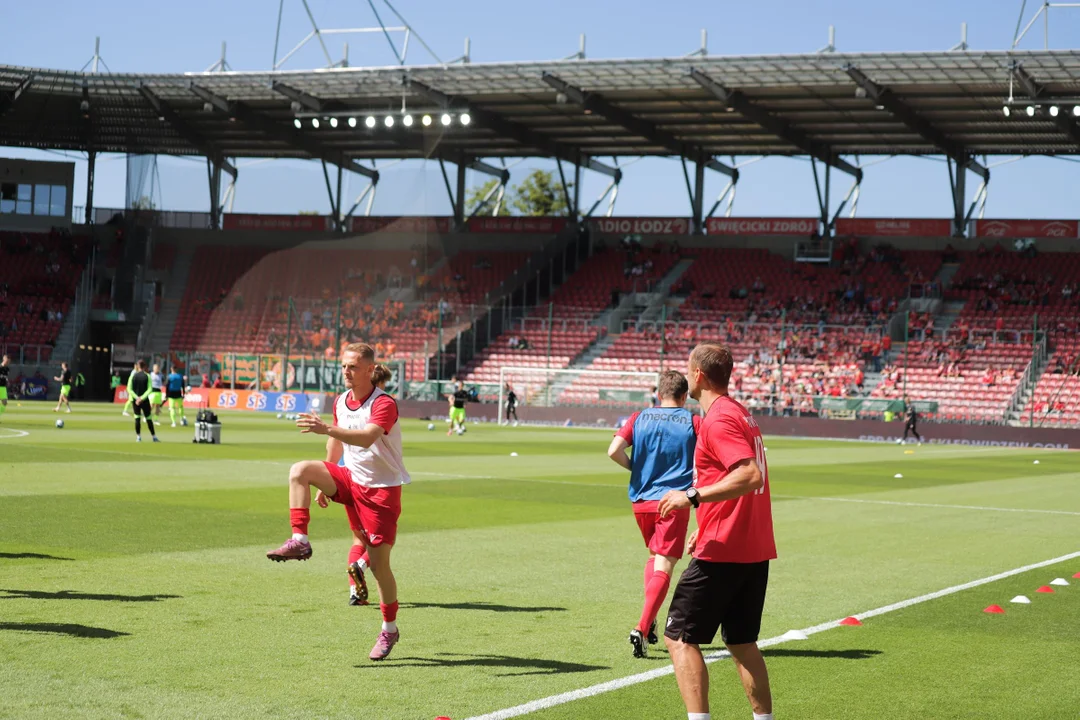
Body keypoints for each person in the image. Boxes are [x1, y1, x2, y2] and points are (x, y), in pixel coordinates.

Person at [266, 343, 410, 661]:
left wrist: (326, 428)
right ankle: (300, 540)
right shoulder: (341, 400)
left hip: (381, 492)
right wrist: (325, 478)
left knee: (380, 567)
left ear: (370, 370)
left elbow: (367, 436)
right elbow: (335, 441)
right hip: (349, 479)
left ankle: (389, 628)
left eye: (353, 366)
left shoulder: (383, 403)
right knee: (300, 470)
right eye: (344, 366)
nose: (346, 371)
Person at [657, 343, 776, 720]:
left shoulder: (720, 418)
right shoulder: (740, 413)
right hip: (750, 546)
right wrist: (704, 521)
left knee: (678, 638)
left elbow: (748, 474)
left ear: (699, 376)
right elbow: (736, 479)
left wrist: (691, 497)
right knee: (742, 643)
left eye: (688, 368)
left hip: (724, 549)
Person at [608, 370, 701, 658]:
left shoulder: (639, 417)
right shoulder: (693, 421)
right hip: (672, 502)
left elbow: (613, 451)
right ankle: (642, 627)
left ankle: (648, 625)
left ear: (659, 393)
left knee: (654, 556)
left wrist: (636, 470)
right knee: (665, 563)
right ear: (684, 396)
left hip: (641, 502)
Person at [315, 364, 394, 607]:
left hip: (343, 477)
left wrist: (324, 479)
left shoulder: (346, 403)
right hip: (368, 481)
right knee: (379, 543)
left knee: (357, 540)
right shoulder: (378, 403)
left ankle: (355, 592)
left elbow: (332, 443)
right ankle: (360, 564)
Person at [128, 360, 159, 443]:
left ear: (137, 366)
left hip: (135, 401)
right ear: (144, 367)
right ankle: (154, 437)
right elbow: (150, 389)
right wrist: (142, 398)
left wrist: (137, 398)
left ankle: (138, 437)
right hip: (144, 401)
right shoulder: (147, 376)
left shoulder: (132, 376)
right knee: (148, 418)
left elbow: (129, 389)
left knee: (137, 418)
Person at [0, 354, 9, 422]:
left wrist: (7, 382)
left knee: (4, 402)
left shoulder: (7, 369)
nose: (8, 361)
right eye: (7, 359)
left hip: (3, 387)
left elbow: (5, 378)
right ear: (4, 359)